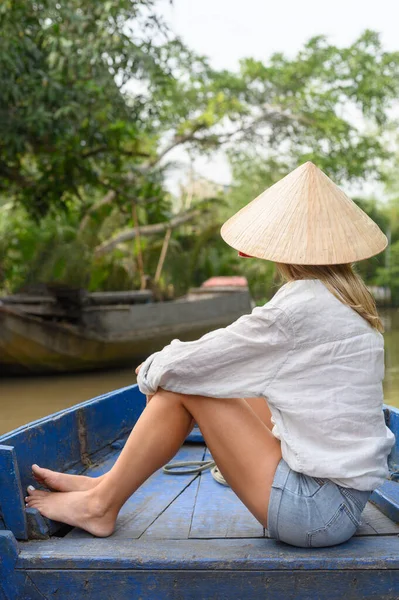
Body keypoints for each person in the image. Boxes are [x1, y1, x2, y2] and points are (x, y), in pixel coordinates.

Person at [26, 161, 395, 548]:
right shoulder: (351, 302)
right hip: (344, 505)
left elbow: (193, 365)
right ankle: (104, 484)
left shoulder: (299, 307)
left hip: (313, 514)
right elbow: (223, 356)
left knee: (186, 386)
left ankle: (100, 504)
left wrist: (153, 369)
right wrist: (171, 368)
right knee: (209, 378)